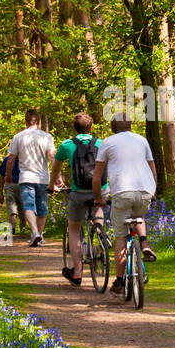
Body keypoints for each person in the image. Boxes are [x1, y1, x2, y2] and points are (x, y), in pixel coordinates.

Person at [92, 114, 158, 296]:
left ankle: (120, 281)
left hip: (122, 191)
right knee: (139, 215)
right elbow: (152, 168)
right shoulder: (142, 140)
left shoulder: (107, 142)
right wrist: (153, 192)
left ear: (113, 128)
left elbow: (97, 177)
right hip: (145, 189)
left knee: (121, 237)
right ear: (130, 126)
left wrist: (99, 198)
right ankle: (144, 242)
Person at [50, 112, 107, 287]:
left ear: (74, 128)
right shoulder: (101, 143)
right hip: (100, 190)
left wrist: (52, 185)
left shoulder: (67, 145)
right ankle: (101, 234)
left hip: (79, 192)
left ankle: (77, 273)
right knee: (98, 209)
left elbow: (55, 168)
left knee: (74, 228)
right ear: (91, 128)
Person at [7, 109, 55, 247]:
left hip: (26, 177)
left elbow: (10, 160)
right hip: (43, 178)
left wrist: (9, 175)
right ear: (39, 122)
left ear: (25, 121)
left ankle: (35, 233)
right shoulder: (47, 137)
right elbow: (52, 157)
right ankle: (39, 235)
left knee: (28, 206)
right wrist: (56, 176)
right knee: (42, 209)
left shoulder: (18, 137)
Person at [0, 146, 28, 237]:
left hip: (13, 185)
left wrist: (0, 192)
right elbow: (2, 176)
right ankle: (20, 231)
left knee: (14, 210)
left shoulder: (8, 160)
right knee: (21, 209)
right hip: (19, 185)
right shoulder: (24, 159)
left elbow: (1, 177)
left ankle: (15, 231)